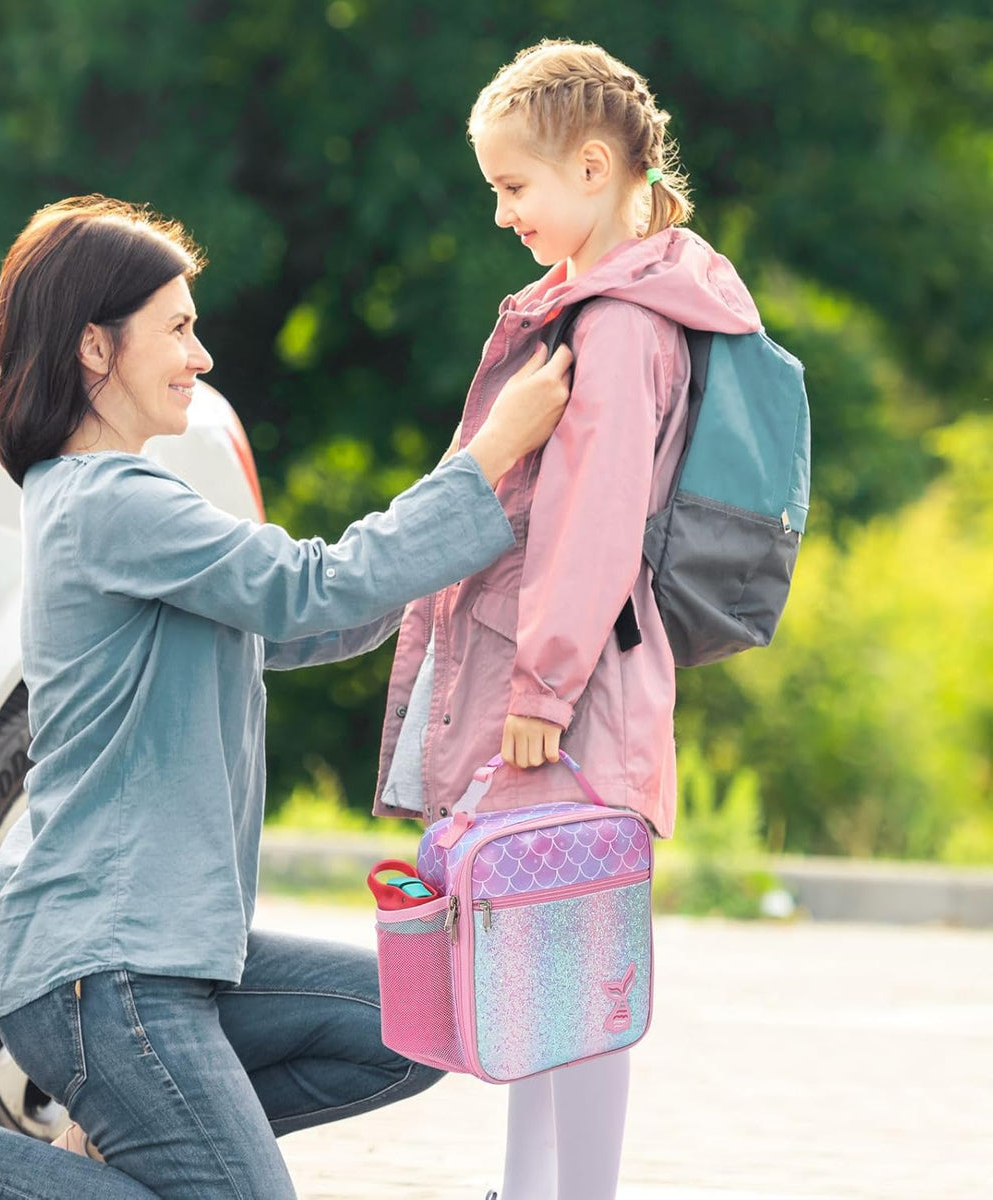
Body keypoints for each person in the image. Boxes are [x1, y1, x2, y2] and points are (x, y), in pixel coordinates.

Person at [0, 194, 573, 1200]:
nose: (201, 355)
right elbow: (318, 584)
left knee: (416, 1024)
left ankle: (132, 1151)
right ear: (96, 346)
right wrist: (490, 457)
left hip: (171, 949)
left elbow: (317, 620)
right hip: (102, 966)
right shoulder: (108, 503)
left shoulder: (126, 503)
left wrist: (483, 505)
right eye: (178, 329)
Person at [371, 39, 764, 1200]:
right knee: (535, 954)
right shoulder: (607, 304)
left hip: (569, 697)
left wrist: (540, 690)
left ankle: (569, 1192)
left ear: (593, 168)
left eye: (513, 188)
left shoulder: (621, 323)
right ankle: (528, 1188)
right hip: (578, 686)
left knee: (574, 967)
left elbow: (591, 525)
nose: (502, 215)